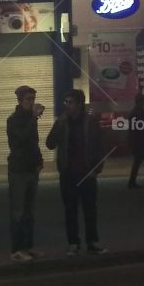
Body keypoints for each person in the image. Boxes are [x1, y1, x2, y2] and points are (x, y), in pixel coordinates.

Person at [46, 89, 107, 255]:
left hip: (87, 172)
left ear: (79, 104)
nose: (66, 105)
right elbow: (50, 143)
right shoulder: (62, 122)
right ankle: (73, 243)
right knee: (70, 210)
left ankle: (92, 241)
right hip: (68, 173)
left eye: (70, 102)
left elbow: (100, 146)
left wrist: (96, 169)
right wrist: (59, 123)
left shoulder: (90, 122)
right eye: (65, 102)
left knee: (90, 209)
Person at [6, 85, 45, 263]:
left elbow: (33, 143)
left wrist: (39, 161)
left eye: (33, 99)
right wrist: (33, 119)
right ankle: (16, 249)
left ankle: (28, 246)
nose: (32, 103)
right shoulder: (13, 120)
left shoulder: (30, 118)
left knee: (30, 211)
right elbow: (21, 139)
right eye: (29, 99)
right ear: (20, 101)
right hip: (18, 170)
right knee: (18, 212)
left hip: (31, 169)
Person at [127, 89, 144, 189]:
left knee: (138, 162)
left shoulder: (133, 112)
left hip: (136, 141)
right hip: (141, 141)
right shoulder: (141, 113)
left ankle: (132, 182)